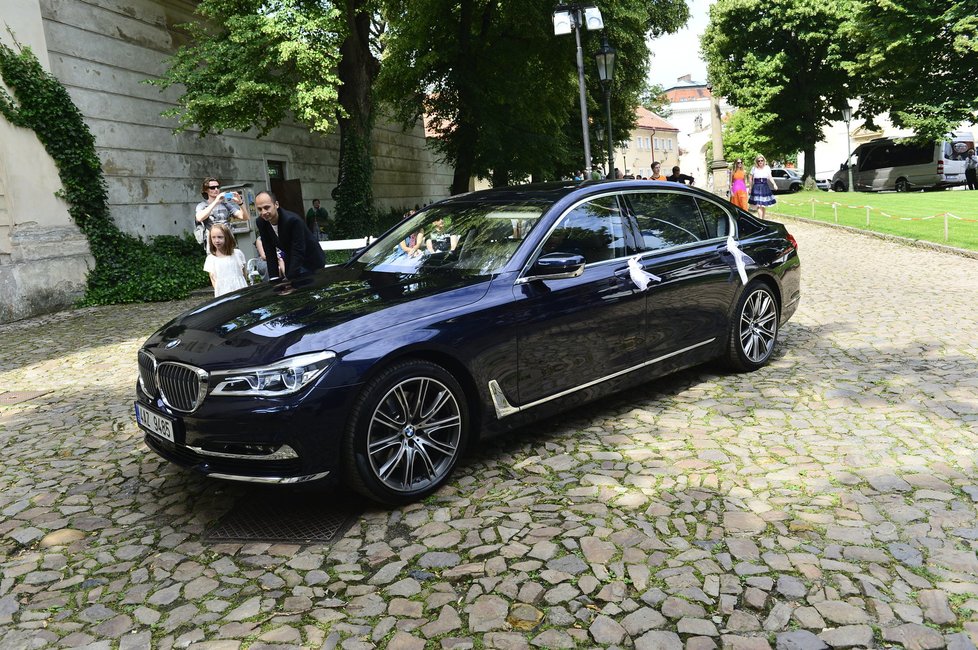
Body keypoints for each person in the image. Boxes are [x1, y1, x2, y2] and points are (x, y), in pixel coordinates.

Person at [255, 191, 326, 280]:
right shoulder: (261, 222)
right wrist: (274, 279)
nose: (263, 212)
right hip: (291, 259)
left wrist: (291, 279)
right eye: (259, 209)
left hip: (311, 260)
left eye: (266, 207)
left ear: (276, 205)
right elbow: (269, 251)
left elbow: (298, 250)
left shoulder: (293, 220)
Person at [195, 178, 248, 248]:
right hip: (214, 243)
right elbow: (199, 218)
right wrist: (216, 202)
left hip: (229, 241)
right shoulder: (202, 205)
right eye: (212, 188)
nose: (216, 189)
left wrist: (240, 203)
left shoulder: (226, 204)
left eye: (218, 187)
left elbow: (244, 217)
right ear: (206, 190)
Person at [203, 223, 248, 297]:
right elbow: (213, 279)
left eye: (220, 237)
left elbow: (244, 273)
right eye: (213, 237)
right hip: (223, 292)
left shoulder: (237, 254)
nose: (216, 240)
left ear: (227, 237)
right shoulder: (211, 259)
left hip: (240, 289)